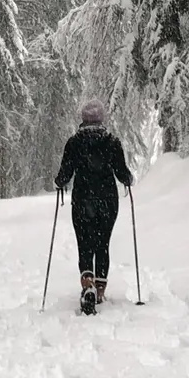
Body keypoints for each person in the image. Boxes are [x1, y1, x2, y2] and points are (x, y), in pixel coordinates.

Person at [54, 99, 133, 314]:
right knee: (102, 243)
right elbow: (122, 173)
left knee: (85, 243)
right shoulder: (112, 142)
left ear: (83, 119)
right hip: (107, 200)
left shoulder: (74, 142)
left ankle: (87, 282)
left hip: (82, 200)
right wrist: (129, 179)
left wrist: (59, 182)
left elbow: (65, 174)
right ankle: (99, 290)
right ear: (101, 119)